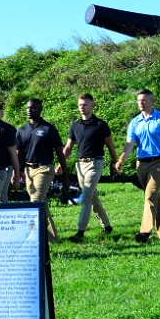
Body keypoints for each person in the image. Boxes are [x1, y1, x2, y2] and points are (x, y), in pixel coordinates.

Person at [115, 89, 160, 242]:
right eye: (138, 101)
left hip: (159, 162)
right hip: (141, 164)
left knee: (150, 195)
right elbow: (129, 144)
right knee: (154, 198)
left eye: (143, 100)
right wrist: (121, 160)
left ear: (151, 101)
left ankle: (144, 233)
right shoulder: (135, 122)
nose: (140, 103)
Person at [61, 93, 117, 241]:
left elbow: (110, 145)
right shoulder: (75, 126)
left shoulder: (100, 125)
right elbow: (67, 148)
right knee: (92, 198)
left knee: (85, 197)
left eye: (85, 104)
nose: (82, 107)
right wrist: (60, 164)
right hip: (80, 165)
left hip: (95, 163)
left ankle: (80, 232)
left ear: (92, 105)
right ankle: (107, 227)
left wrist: (116, 163)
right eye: (80, 105)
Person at [15, 98, 70, 243]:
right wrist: (16, 172)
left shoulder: (48, 129)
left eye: (33, 108)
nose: (29, 110)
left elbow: (60, 153)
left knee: (35, 202)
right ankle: (53, 239)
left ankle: (32, 239)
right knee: (42, 204)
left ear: (40, 109)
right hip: (28, 170)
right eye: (27, 108)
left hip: (45, 168)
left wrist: (65, 174)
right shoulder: (22, 130)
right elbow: (19, 154)